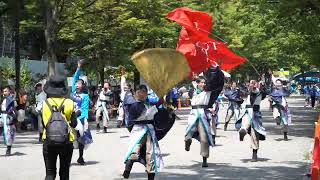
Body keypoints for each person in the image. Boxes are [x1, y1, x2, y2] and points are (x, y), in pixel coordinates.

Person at [122, 85, 167, 180]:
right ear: (136, 93)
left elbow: (157, 107)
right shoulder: (134, 105)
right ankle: (128, 168)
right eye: (139, 92)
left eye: (144, 92)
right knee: (134, 150)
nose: (141, 94)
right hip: (138, 130)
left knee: (150, 155)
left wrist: (161, 97)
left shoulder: (149, 104)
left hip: (150, 131)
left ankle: (150, 175)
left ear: (146, 94)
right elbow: (131, 120)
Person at [185, 65, 224, 168]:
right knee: (188, 134)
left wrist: (214, 69)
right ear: (198, 83)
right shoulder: (192, 91)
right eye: (201, 82)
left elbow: (216, 83)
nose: (203, 84)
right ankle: (187, 142)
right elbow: (192, 83)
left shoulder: (208, 91)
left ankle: (204, 158)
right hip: (193, 115)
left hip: (203, 114)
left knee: (204, 138)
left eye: (204, 83)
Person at [41, 75, 78, 180]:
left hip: (48, 140)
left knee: (50, 173)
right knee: (65, 173)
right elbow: (74, 124)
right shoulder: (70, 103)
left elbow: (43, 124)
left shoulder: (44, 103)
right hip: (66, 141)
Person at [236, 80, 267, 161]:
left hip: (256, 114)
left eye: (254, 83)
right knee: (245, 123)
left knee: (254, 133)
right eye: (250, 83)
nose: (252, 84)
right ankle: (242, 131)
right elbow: (238, 95)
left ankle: (254, 153)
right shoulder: (245, 91)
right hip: (246, 112)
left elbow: (261, 92)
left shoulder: (259, 92)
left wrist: (261, 86)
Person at [70, 60, 90, 165]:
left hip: (79, 118)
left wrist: (84, 119)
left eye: (79, 83)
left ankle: (81, 157)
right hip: (69, 117)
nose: (77, 84)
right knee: (67, 138)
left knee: (81, 136)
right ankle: (67, 158)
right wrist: (78, 67)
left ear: (82, 86)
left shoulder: (85, 96)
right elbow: (74, 78)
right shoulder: (72, 91)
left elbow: (85, 108)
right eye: (76, 83)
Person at [0, 86, 16, 155]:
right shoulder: (4, 99)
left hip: (8, 116)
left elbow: (12, 108)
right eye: (3, 91)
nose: (4, 92)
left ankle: (8, 148)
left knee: (8, 132)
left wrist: (9, 116)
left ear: (9, 91)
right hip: (2, 115)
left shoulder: (11, 99)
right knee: (5, 132)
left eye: (6, 91)